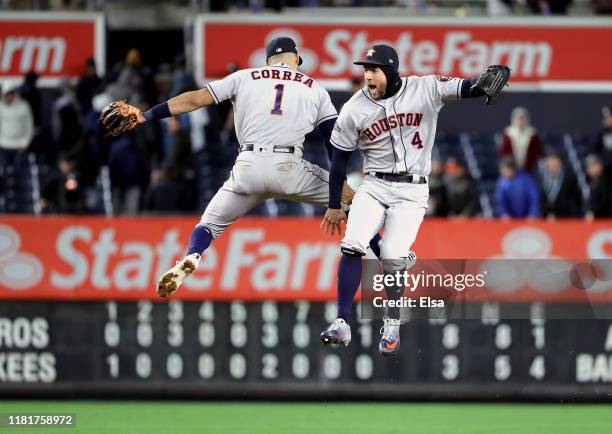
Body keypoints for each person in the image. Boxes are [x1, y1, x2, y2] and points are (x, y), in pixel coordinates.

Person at [100, 37, 385, 297]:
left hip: (246, 168)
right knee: (357, 205)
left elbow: (194, 100)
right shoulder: (315, 89)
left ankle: (191, 257)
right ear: (296, 59)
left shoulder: (244, 77)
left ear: (268, 61)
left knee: (207, 226)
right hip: (288, 167)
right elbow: (333, 148)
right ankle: (387, 261)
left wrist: (146, 116)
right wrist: (337, 198)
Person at [319, 44, 509, 356]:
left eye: (374, 69)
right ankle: (342, 321)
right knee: (352, 243)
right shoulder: (354, 109)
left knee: (392, 256)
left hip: (413, 191)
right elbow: (338, 162)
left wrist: (479, 85)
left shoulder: (426, 88)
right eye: (365, 69)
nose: (367, 75)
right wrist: (333, 204)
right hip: (374, 184)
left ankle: (391, 323)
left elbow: (466, 87)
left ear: (391, 71)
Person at [499, 107, 543, 172]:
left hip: (529, 169)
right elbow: (503, 151)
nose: (520, 121)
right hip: (512, 170)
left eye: (522, 119)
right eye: (518, 119)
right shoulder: (508, 133)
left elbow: (538, 151)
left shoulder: (532, 133)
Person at [539, 152, 581, 219]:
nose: (552, 163)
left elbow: (576, 199)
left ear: (559, 161)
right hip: (545, 217)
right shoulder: (541, 177)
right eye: (549, 160)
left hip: (565, 217)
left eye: (554, 160)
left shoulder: (569, 177)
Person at [584, 154, 611, 220]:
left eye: (594, 165)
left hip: (606, 219)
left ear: (601, 166)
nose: (591, 169)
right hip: (595, 219)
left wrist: (593, 211)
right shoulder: (590, 181)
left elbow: (605, 200)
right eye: (589, 166)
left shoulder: (607, 181)